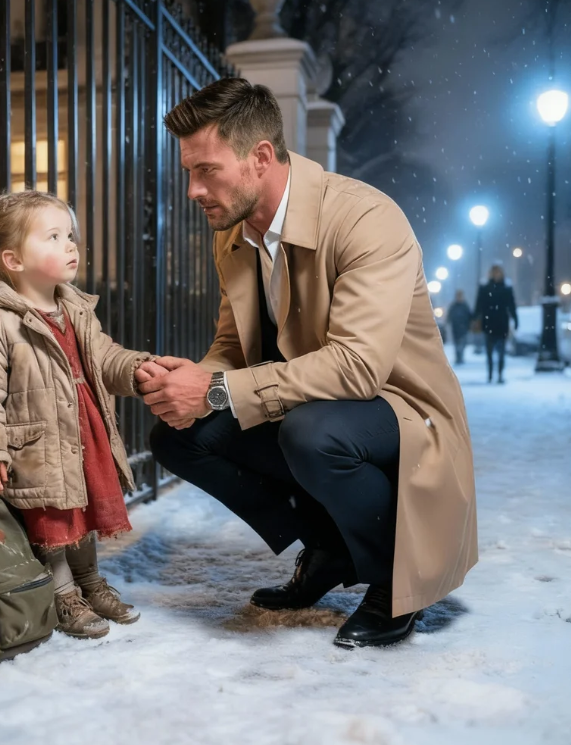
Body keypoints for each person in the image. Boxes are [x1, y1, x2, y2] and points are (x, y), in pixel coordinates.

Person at [137, 78, 477, 649]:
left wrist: (218, 390)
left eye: (207, 170)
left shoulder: (366, 219)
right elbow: (234, 347)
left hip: (402, 409)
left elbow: (356, 368)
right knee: (179, 436)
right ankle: (328, 548)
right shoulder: (235, 233)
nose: (193, 190)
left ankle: (397, 584)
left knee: (312, 433)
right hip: (305, 399)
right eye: (188, 172)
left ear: (261, 157)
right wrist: (190, 382)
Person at [0, 191, 157, 639]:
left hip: (83, 431)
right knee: (54, 522)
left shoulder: (75, 307)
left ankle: (90, 583)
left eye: (70, 235)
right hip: (38, 442)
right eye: (54, 236)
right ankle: (62, 595)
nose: (71, 246)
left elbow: (103, 358)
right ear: (13, 259)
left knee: (82, 513)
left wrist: (139, 369)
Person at [474, 263, 518, 384]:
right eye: (494, 272)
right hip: (489, 323)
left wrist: (515, 318)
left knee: (501, 352)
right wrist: (474, 317)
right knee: (489, 352)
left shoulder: (506, 288)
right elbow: (479, 304)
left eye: (498, 272)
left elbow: (511, 305)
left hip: (502, 323)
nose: (496, 274)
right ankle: (490, 374)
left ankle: (499, 374)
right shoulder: (485, 288)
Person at [447, 289, 473, 365]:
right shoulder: (453, 306)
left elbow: (469, 316)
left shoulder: (465, 306)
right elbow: (450, 315)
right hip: (455, 328)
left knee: (462, 344)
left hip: (464, 328)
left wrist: (469, 324)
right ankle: (458, 357)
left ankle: (460, 357)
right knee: (456, 344)